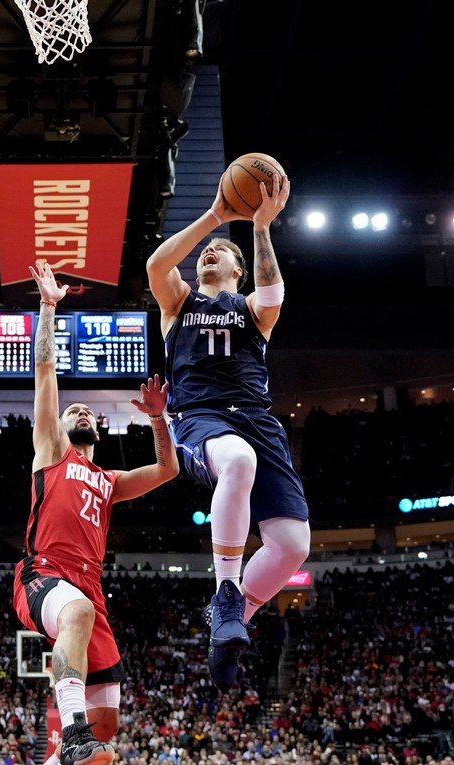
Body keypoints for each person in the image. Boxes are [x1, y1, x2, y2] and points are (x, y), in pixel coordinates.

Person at [145, 165, 309, 689]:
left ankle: (230, 623)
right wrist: (218, 214)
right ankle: (226, 593)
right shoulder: (179, 304)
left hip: (256, 420)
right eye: (204, 254)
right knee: (237, 461)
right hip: (200, 418)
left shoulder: (253, 309)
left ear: (239, 270)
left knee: (291, 545)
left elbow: (274, 291)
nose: (207, 253)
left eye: (220, 251)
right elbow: (155, 263)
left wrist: (260, 227)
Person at [15, 261, 180, 765]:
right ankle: (73, 735)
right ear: (59, 428)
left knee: (108, 724)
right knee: (78, 617)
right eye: (72, 412)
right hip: (43, 574)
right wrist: (48, 307)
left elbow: (167, 469)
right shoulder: (50, 451)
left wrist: (158, 417)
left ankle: (71, 749)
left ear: (101, 432)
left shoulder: (108, 482)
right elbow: (46, 371)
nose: (80, 412)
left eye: (88, 413)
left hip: (90, 588)